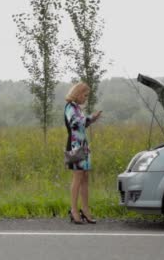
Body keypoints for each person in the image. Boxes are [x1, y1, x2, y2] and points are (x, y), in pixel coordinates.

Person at [64, 82, 102, 224]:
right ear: (78, 93)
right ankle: (74, 210)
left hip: (82, 146)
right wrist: (91, 117)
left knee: (85, 177)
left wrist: (91, 120)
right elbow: (75, 123)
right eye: (85, 95)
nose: (86, 98)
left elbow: (82, 125)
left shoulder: (77, 108)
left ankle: (85, 209)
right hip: (75, 146)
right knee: (77, 177)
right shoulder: (70, 107)